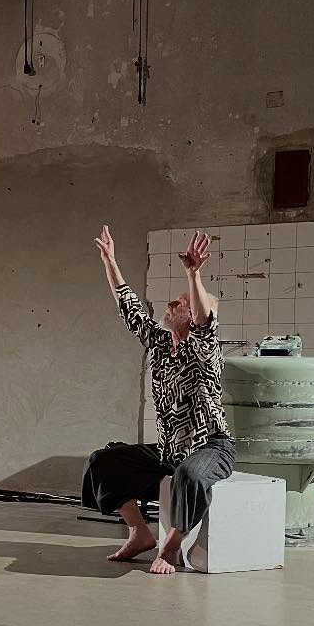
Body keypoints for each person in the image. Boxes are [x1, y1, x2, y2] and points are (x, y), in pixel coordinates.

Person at [82, 225, 235, 575]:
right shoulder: (161, 345)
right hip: (170, 451)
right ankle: (139, 532)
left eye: (179, 303)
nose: (170, 304)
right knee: (105, 461)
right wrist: (110, 261)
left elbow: (205, 322)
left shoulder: (204, 351)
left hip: (211, 447)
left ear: (192, 316)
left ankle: (172, 545)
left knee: (190, 474)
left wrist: (193, 275)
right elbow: (129, 309)